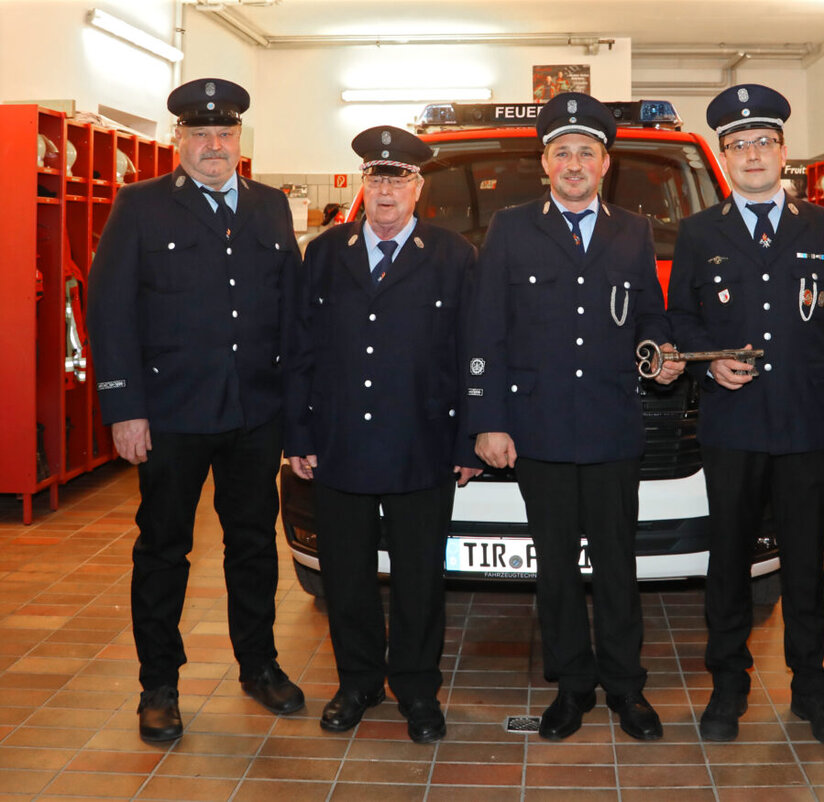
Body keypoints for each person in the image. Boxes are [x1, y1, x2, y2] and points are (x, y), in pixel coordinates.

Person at [86, 78, 304, 743]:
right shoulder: (140, 205)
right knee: (163, 549)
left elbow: (291, 315)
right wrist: (125, 408)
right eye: (200, 135)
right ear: (178, 140)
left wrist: (295, 413)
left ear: (240, 140)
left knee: (252, 547)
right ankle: (159, 683)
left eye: (225, 135)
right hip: (173, 414)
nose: (214, 146)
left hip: (254, 413)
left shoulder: (270, 207)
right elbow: (110, 310)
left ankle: (258, 665)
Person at [465, 92, 683, 742]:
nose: (574, 162)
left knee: (617, 564)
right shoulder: (509, 227)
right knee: (555, 567)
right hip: (540, 428)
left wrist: (663, 351)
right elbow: (487, 332)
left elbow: (648, 313)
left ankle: (625, 689)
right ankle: (572, 687)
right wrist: (490, 420)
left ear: (606, 162)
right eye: (562, 152)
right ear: (544, 164)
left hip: (613, 427)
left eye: (586, 151)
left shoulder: (633, 231)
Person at [667, 84, 824, 746]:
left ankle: (812, 689)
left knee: (806, 566)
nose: (751, 154)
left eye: (762, 142)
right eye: (737, 145)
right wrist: (703, 365)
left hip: (808, 426)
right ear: (723, 158)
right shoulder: (701, 233)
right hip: (732, 428)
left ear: (783, 151)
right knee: (727, 562)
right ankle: (728, 687)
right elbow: (681, 320)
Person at [283, 126, 480, 743]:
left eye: (400, 178)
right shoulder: (325, 251)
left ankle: (418, 691)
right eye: (377, 177)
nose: (387, 189)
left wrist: (466, 440)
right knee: (346, 577)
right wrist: (298, 434)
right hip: (340, 443)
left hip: (421, 446)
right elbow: (300, 349)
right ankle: (358, 682)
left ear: (420, 187)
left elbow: (472, 353)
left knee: (421, 578)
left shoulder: (452, 255)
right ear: (361, 186)